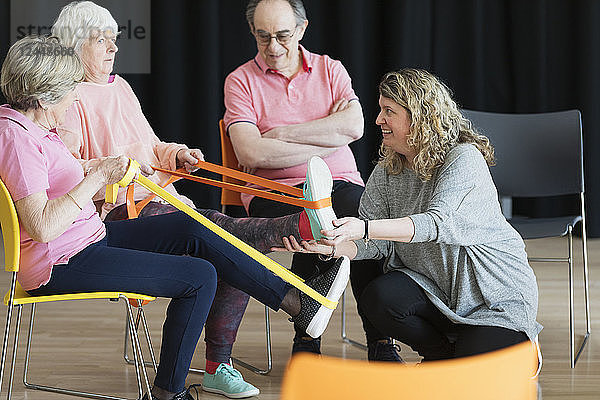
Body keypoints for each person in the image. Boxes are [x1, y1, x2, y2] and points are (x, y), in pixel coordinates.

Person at [0, 35, 349, 400]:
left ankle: (296, 303)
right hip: (62, 261)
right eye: (70, 90)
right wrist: (97, 177)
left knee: (193, 226)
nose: (75, 98)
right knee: (199, 276)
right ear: (42, 98)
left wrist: (101, 168)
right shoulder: (17, 139)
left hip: (87, 238)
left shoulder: (31, 127)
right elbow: (42, 226)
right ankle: (170, 393)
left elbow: (57, 182)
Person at [281, 68, 543, 361]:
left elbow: (437, 223)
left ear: (418, 116)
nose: (378, 120)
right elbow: (375, 246)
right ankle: (439, 355)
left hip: (494, 302)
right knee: (380, 298)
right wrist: (331, 248)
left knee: (470, 379)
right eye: (380, 110)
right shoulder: (387, 168)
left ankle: (519, 345)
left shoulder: (463, 158)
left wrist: (364, 227)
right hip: (435, 291)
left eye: (388, 111)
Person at [224, 0, 396, 360]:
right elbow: (252, 155)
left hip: (342, 184)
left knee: (364, 219)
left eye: (283, 36)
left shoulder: (329, 69)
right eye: (263, 37)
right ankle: (307, 339)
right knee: (314, 213)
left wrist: (281, 133)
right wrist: (327, 138)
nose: (273, 48)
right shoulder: (240, 81)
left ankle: (378, 339)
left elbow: (355, 127)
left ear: (301, 30)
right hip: (274, 191)